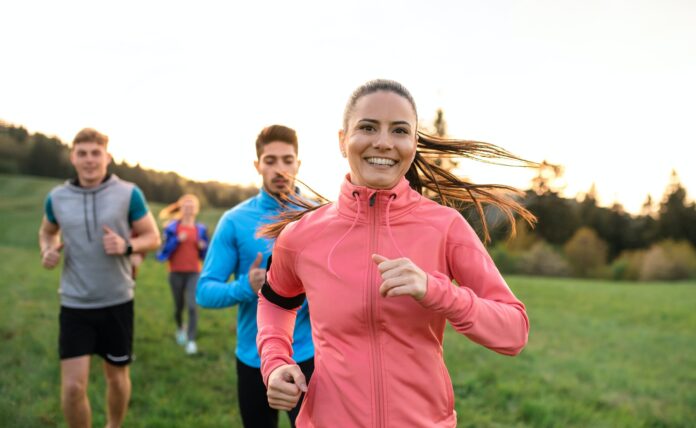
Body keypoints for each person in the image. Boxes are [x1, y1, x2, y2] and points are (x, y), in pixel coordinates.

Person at [256, 79, 537, 427]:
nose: (384, 142)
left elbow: (514, 332)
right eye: (368, 127)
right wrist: (276, 362)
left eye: (399, 131)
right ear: (343, 140)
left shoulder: (445, 228)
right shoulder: (301, 236)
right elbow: (275, 301)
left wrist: (437, 291)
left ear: (413, 144)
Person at [38, 128, 161, 428]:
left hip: (117, 301)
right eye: (82, 153)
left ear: (107, 157)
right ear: (73, 157)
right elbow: (47, 232)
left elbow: (153, 237)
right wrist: (47, 250)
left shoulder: (128, 193)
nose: (89, 160)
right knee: (72, 388)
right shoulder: (57, 198)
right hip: (74, 303)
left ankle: (113, 425)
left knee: (117, 379)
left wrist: (127, 245)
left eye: (96, 153)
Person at [196, 125, 314, 428]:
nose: (280, 169)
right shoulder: (234, 221)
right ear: (257, 165)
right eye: (270, 160)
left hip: (311, 356)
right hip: (254, 358)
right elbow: (204, 292)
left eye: (288, 160)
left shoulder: (319, 217)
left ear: (298, 164)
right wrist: (246, 287)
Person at [156, 194, 209, 355]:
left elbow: (205, 255)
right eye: (186, 206)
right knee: (179, 306)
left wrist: (203, 246)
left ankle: (191, 340)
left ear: (196, 210)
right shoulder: (171, 228)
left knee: (192, 306)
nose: (189, 209)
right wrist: (177, 240)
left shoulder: (201, 229)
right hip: (175, 272)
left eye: (192, 207)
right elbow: (162, 252)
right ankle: (180, 328)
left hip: (194, 272)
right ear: (181, 208)